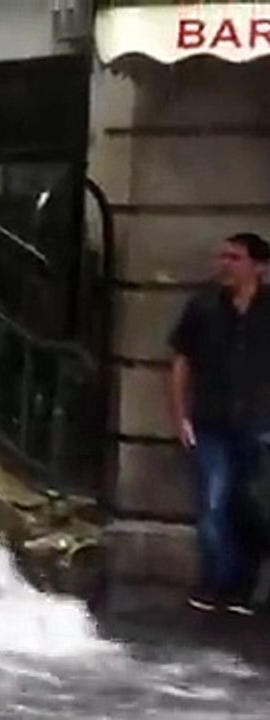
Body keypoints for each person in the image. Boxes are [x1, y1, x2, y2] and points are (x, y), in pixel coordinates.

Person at [168, 231, 270, 615]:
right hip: (211, 420)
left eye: (235, 258)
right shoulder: (203, 306)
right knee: (213, 500)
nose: (224, 264)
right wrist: (180, 416)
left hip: (259, 422)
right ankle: (218, 581)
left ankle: (242, 583)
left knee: (253, 505)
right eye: (222, 256)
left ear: (258, 267)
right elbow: (181, 362)